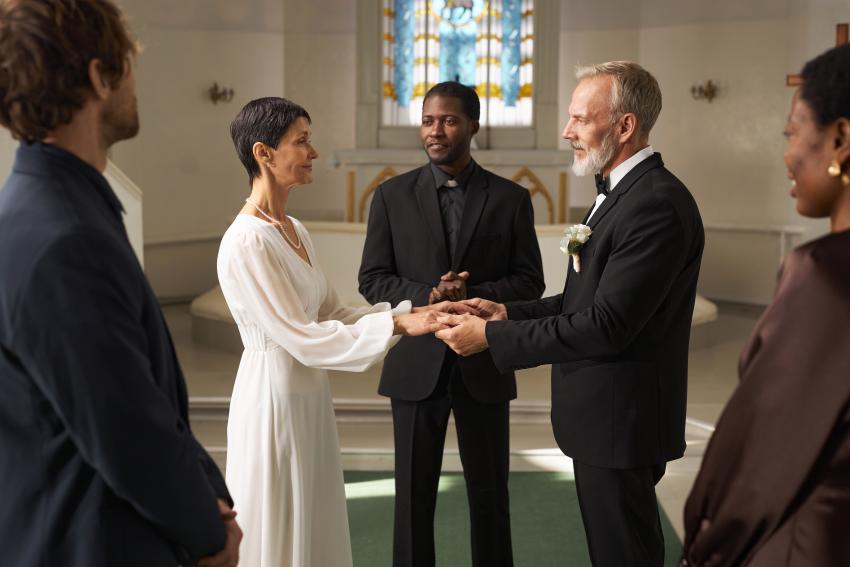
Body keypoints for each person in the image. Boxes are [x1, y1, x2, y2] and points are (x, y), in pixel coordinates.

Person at [0, 1, 240, 566]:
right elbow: (126, 430)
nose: (136, 79)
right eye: (128, 63)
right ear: (97, 76)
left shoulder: (55, 208)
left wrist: (211, 491)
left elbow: (141, 396)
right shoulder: (65, 238)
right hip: (90, 543)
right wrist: (208, 532)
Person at [436, 62, 705, 566]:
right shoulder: (618, 194)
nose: (568, 131)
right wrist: (506, 314)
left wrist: (491, 340)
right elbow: (585, 302)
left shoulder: (656, 203)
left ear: (624, 126)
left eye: (581, 119)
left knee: (624, 554)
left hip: (622, 419)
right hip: (603, 418)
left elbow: (607, 326)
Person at [217, 96, 453, 567]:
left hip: (307, 395)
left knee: (314, 510)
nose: (314, 152)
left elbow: (332, 314)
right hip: (274, 396)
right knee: (282, 512)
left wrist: (415, 314)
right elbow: (301, 337)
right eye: (301, 141)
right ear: (263, 153)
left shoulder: (294, 229)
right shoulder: (246, 240)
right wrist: (399, 323)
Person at [358, 81, 545, 567]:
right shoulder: (390, 197)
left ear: (472, 126)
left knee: (490, 495)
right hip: (416, 369)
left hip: (484, 361)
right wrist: (427, 297)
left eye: (448, 120)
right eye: (427, 120)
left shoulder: (511, 199)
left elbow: (529, 282)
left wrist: (476, 297)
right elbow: (372, 279)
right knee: (413, 497)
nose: (435, 131)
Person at [679, 43, 850, 567]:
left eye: (791, 131)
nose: (787, 152)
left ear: (840, 139)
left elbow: (755, 470)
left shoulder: (825, 277)